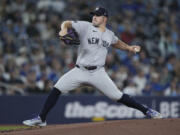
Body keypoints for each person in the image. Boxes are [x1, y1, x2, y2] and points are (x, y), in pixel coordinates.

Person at [23, 7, 162, 127]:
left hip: (98, 73)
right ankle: (42, 119)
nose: (94, 17)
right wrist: (63, 29)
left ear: (105, 18)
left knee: (118, 96)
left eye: (97, 15)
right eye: (93, 15)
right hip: (80, 70)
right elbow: (66, 23)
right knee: (57, 89)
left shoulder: (109, 34)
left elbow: (116, 42)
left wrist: (129, 48)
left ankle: (147, 111)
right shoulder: (85, 26)